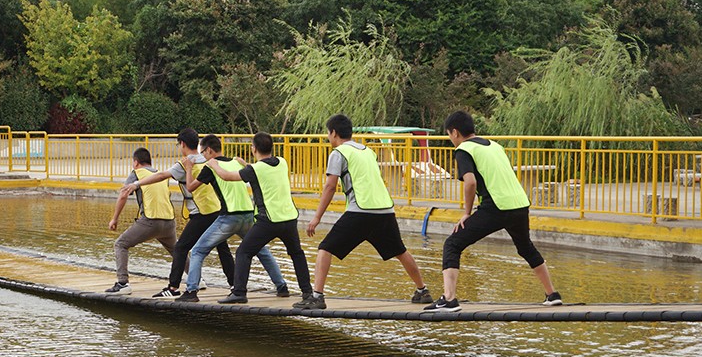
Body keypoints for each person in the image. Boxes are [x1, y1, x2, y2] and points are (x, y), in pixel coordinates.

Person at [425, 110, 563, 312]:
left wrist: (467, 213)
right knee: (526, 248)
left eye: (449, 135)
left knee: (452, 244)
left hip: (496, 206)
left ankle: (449, 299)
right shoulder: (495, 146)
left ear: (454, 132)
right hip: (519, 204)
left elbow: (470, 182)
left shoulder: (464, 149)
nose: (451, 140)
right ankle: (552, 294)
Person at [299, 114, 432, 310]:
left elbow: (330, 186)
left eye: (328, 133)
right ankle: (422, 291)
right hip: (385, 210)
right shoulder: (368, 151)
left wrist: (317, 217)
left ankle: (317, 297)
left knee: (325, 249)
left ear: (334, 133)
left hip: (360, 210)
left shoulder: (338, 153)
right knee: (400, 251)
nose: (328, 137)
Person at [121, 128, 236, 298]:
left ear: (182, 144)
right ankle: (235, 285)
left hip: (201, 212)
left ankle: (173, 288)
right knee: (222, 248)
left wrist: (137, 184)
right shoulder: (206, 160)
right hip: (217, 210)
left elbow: (162, 175)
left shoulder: (186, 163)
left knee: (181, 248)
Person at [177, 134, 289, 303]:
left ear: (209, 150)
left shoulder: (211, 166)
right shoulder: (236, 162)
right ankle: (282, 287)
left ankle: (191, 291)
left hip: (229, 217)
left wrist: (188, 168)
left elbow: (191, 187)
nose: (202, 156)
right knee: (262, 250)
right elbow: (256, 172)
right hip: (248, 215)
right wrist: (245, 163)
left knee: (198, 251)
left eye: (203, 152)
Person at [204, 132, 312, 304]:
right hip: (290, 219)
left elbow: (227, 176)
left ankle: (239, 293)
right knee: (297, 254)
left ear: (253, 149)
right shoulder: (282, 162)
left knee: (243, 252)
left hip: (268, 220)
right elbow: (263, 171)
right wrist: (245, 165)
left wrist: (214, 164)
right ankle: (307, 294)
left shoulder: (254, 169)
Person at [106, 147, 178, 295]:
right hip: (169, 222)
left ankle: (123, 283)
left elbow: (123, 195)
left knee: (120, 244)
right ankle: (197, 279)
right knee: (177, 251)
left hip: (150, 221)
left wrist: (115, 218)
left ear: (136, 162)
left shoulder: (136, 173)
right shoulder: (160, 174)